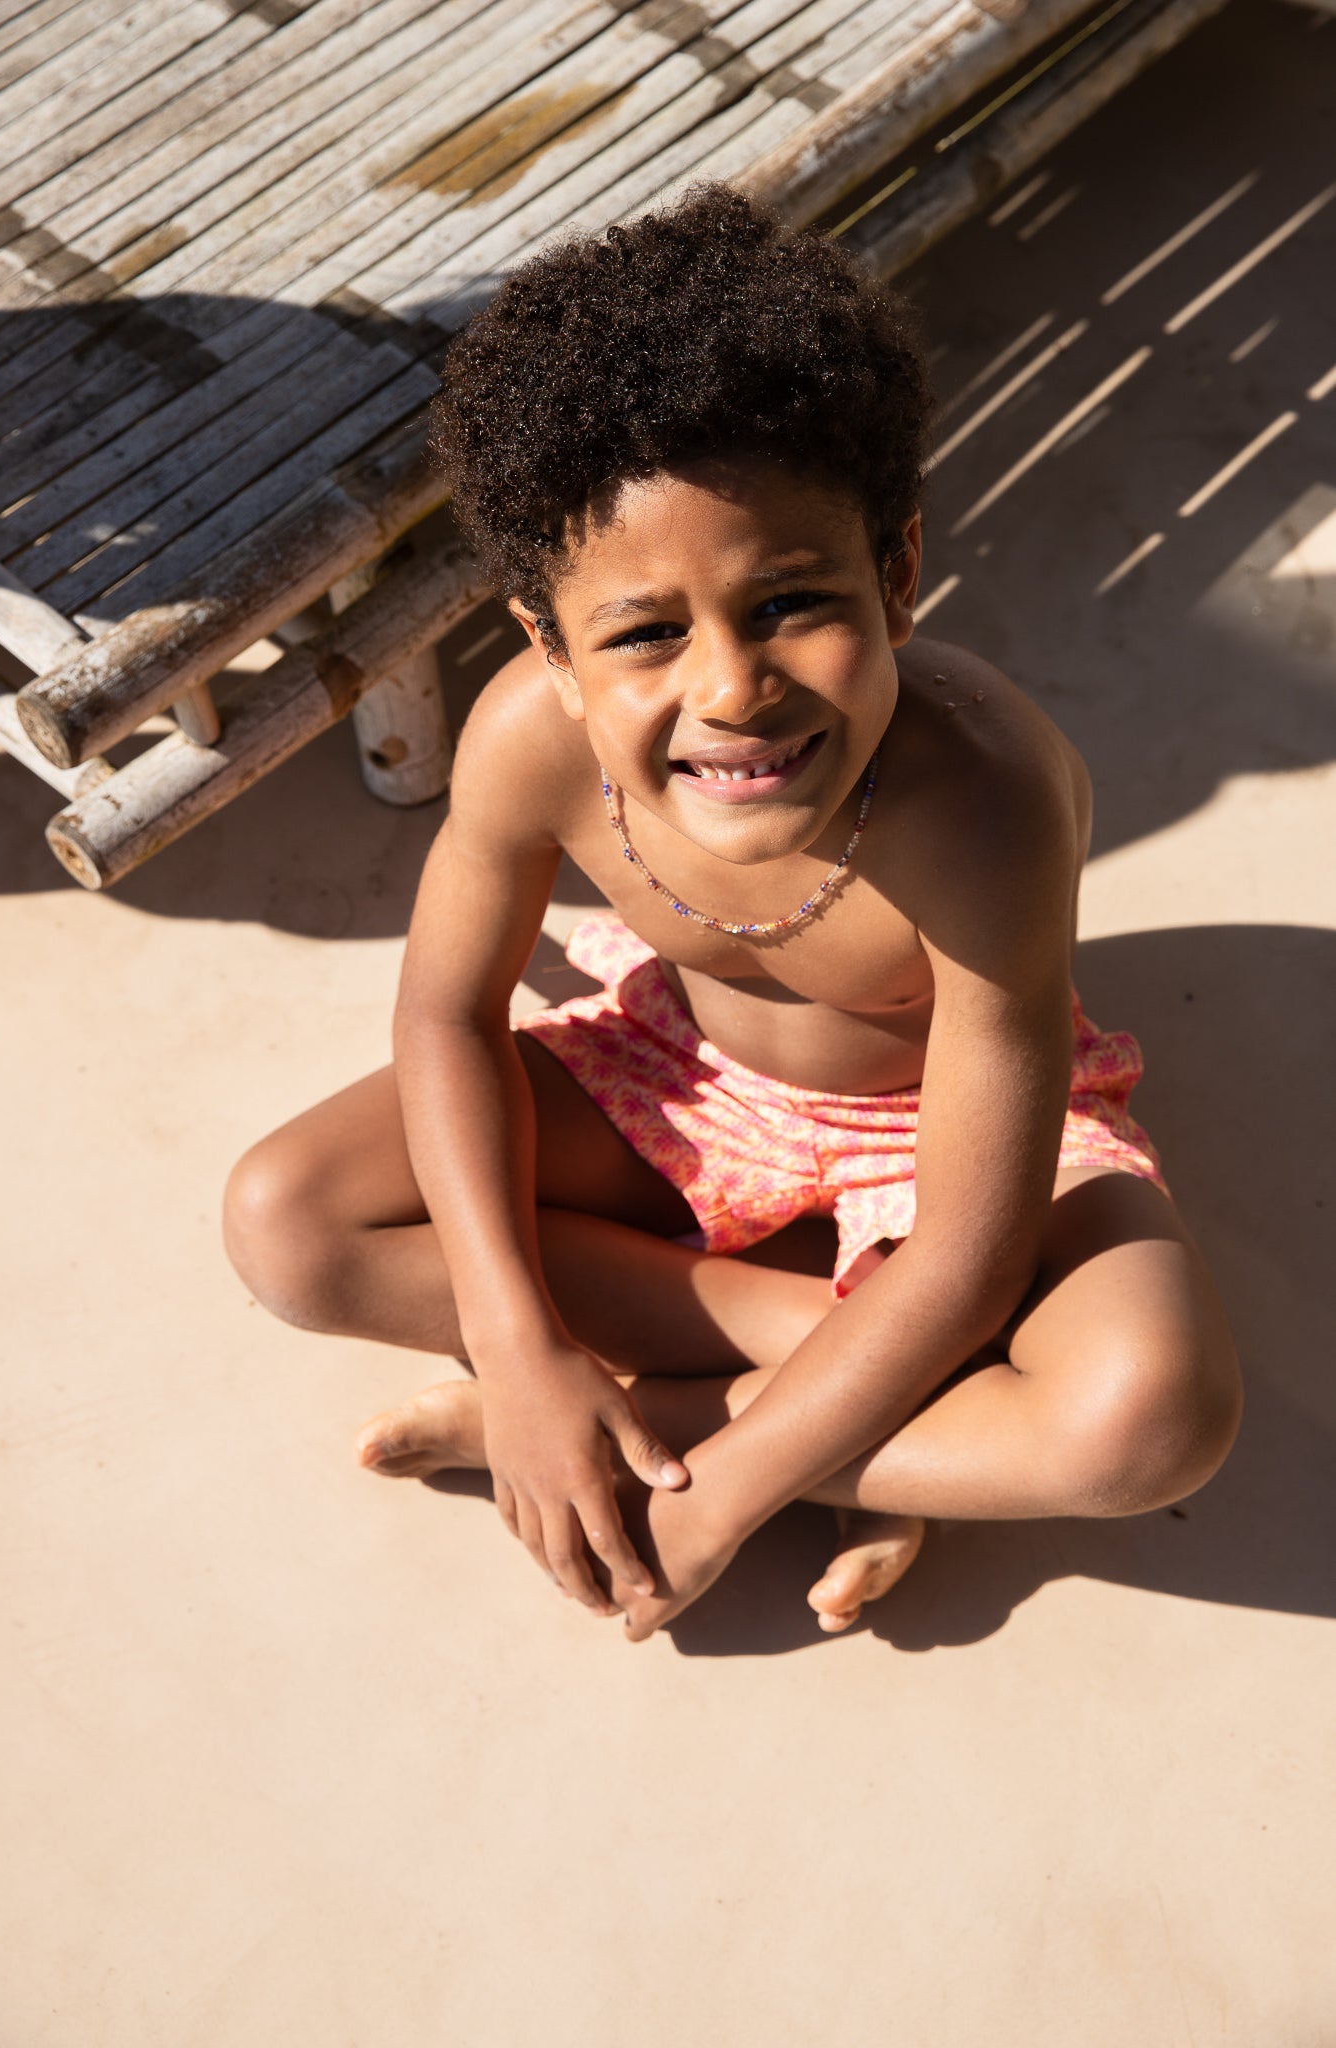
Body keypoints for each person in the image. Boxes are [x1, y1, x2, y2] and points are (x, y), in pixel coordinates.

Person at [224, 186, 1241, 1641]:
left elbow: (969, 1255)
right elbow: (448, 1014)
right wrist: (519, 1351)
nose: (730, 689)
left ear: (895, 574)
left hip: (942, 1125)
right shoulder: (528, 742)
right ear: (551, 650)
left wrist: (717, 1496)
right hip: (682, 1072)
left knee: (1148, 1417)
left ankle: (684, 1421)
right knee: (288, 1226)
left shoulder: (986, 800)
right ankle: (874, 1424)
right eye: (644, 633)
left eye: (788, 604)